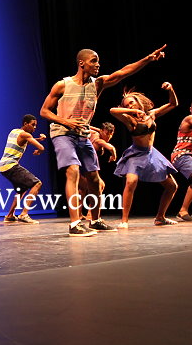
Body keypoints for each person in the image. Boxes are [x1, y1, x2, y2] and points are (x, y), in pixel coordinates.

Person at [40, 45, 167, 236]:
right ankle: (75, 224)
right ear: (81, 63)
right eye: (94, 61)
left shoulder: (97, 84)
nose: (98, 64)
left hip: (83, 135)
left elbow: (123, 72)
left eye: (98, 61)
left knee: (94, 178)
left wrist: (147, 59)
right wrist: (66, 121)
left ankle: (95, 220)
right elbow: (44, 111)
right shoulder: (62, 85)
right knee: (73, 170)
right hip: (62, 133)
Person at [110, 83, 179, 228]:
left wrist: (170, 89)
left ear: (138, 101)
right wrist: (132, 111)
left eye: (131, 103)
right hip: (136, 154)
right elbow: (112, 110)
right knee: (131, 181)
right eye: (126, 105)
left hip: (151, 153)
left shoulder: (152, 114)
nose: (129, 106)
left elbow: (173, 104)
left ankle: (160, 217)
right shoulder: (129, 119)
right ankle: (124, 220)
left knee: (172, 186)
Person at [0, 114, 46, 224]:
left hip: (3, 166)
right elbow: (41, 147)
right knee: (37, 183)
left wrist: (38, 139)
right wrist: (39, 151)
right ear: (25, 124)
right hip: (11, 165)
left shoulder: (14, 131)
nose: (35, 127)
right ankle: (24, 214)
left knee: (22, 189)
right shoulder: (25, 135)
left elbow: (25, 140)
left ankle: (10, 215)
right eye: (33, 125)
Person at [79, 122, 117, 219]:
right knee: (98, 186)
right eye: (107, 133)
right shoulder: (98, 139)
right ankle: (91, 214)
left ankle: (80, 214)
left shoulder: (95, 133)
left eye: (111, 134)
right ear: (102, 131)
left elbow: (87, 126)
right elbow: (111, 147)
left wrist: (99, 130)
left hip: (85, 165)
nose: (109, 136)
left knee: (83, 189)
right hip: (83, 166)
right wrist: (113, 155)